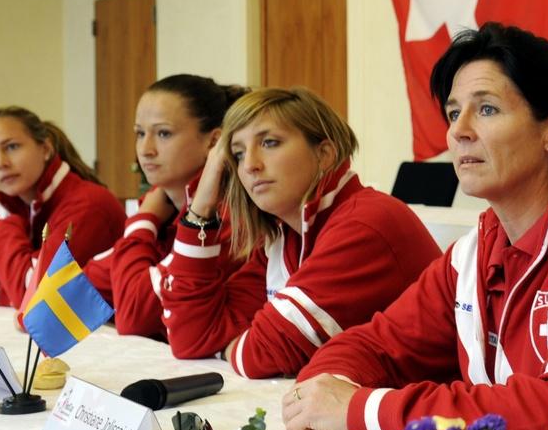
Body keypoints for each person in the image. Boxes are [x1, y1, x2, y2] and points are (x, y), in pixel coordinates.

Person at [283, 23, 548, 430]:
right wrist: (326, 393)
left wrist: (360, 409)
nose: (459, 130)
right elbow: (373, 344)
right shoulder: (473, 252)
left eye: (487, 110)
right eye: (454, 112)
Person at [160, 86, 441, 378]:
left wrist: (229, 347)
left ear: (325, 154)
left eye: (269, 142)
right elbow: (190, 338)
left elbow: (261, 355)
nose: (251, 165)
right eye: (237, 154)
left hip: (433, 420)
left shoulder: (364, 224)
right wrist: (201, 208)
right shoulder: (286, 236)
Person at [84, 74, 247, 339]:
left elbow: (133, 315)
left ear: (214, 142)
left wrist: (143, 220)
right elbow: (76, 291)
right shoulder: (165, 208)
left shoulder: (223, 215)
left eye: (163, 133)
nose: (145, 150)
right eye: (139, 133)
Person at [0, 106, 125, 307]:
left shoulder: (88, 205)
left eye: (12, 147)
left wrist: (8, 224)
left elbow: (34, 300)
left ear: (46, 149)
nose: (1, 163)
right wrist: (9, 291)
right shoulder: (6, 205)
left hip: (105, 334)